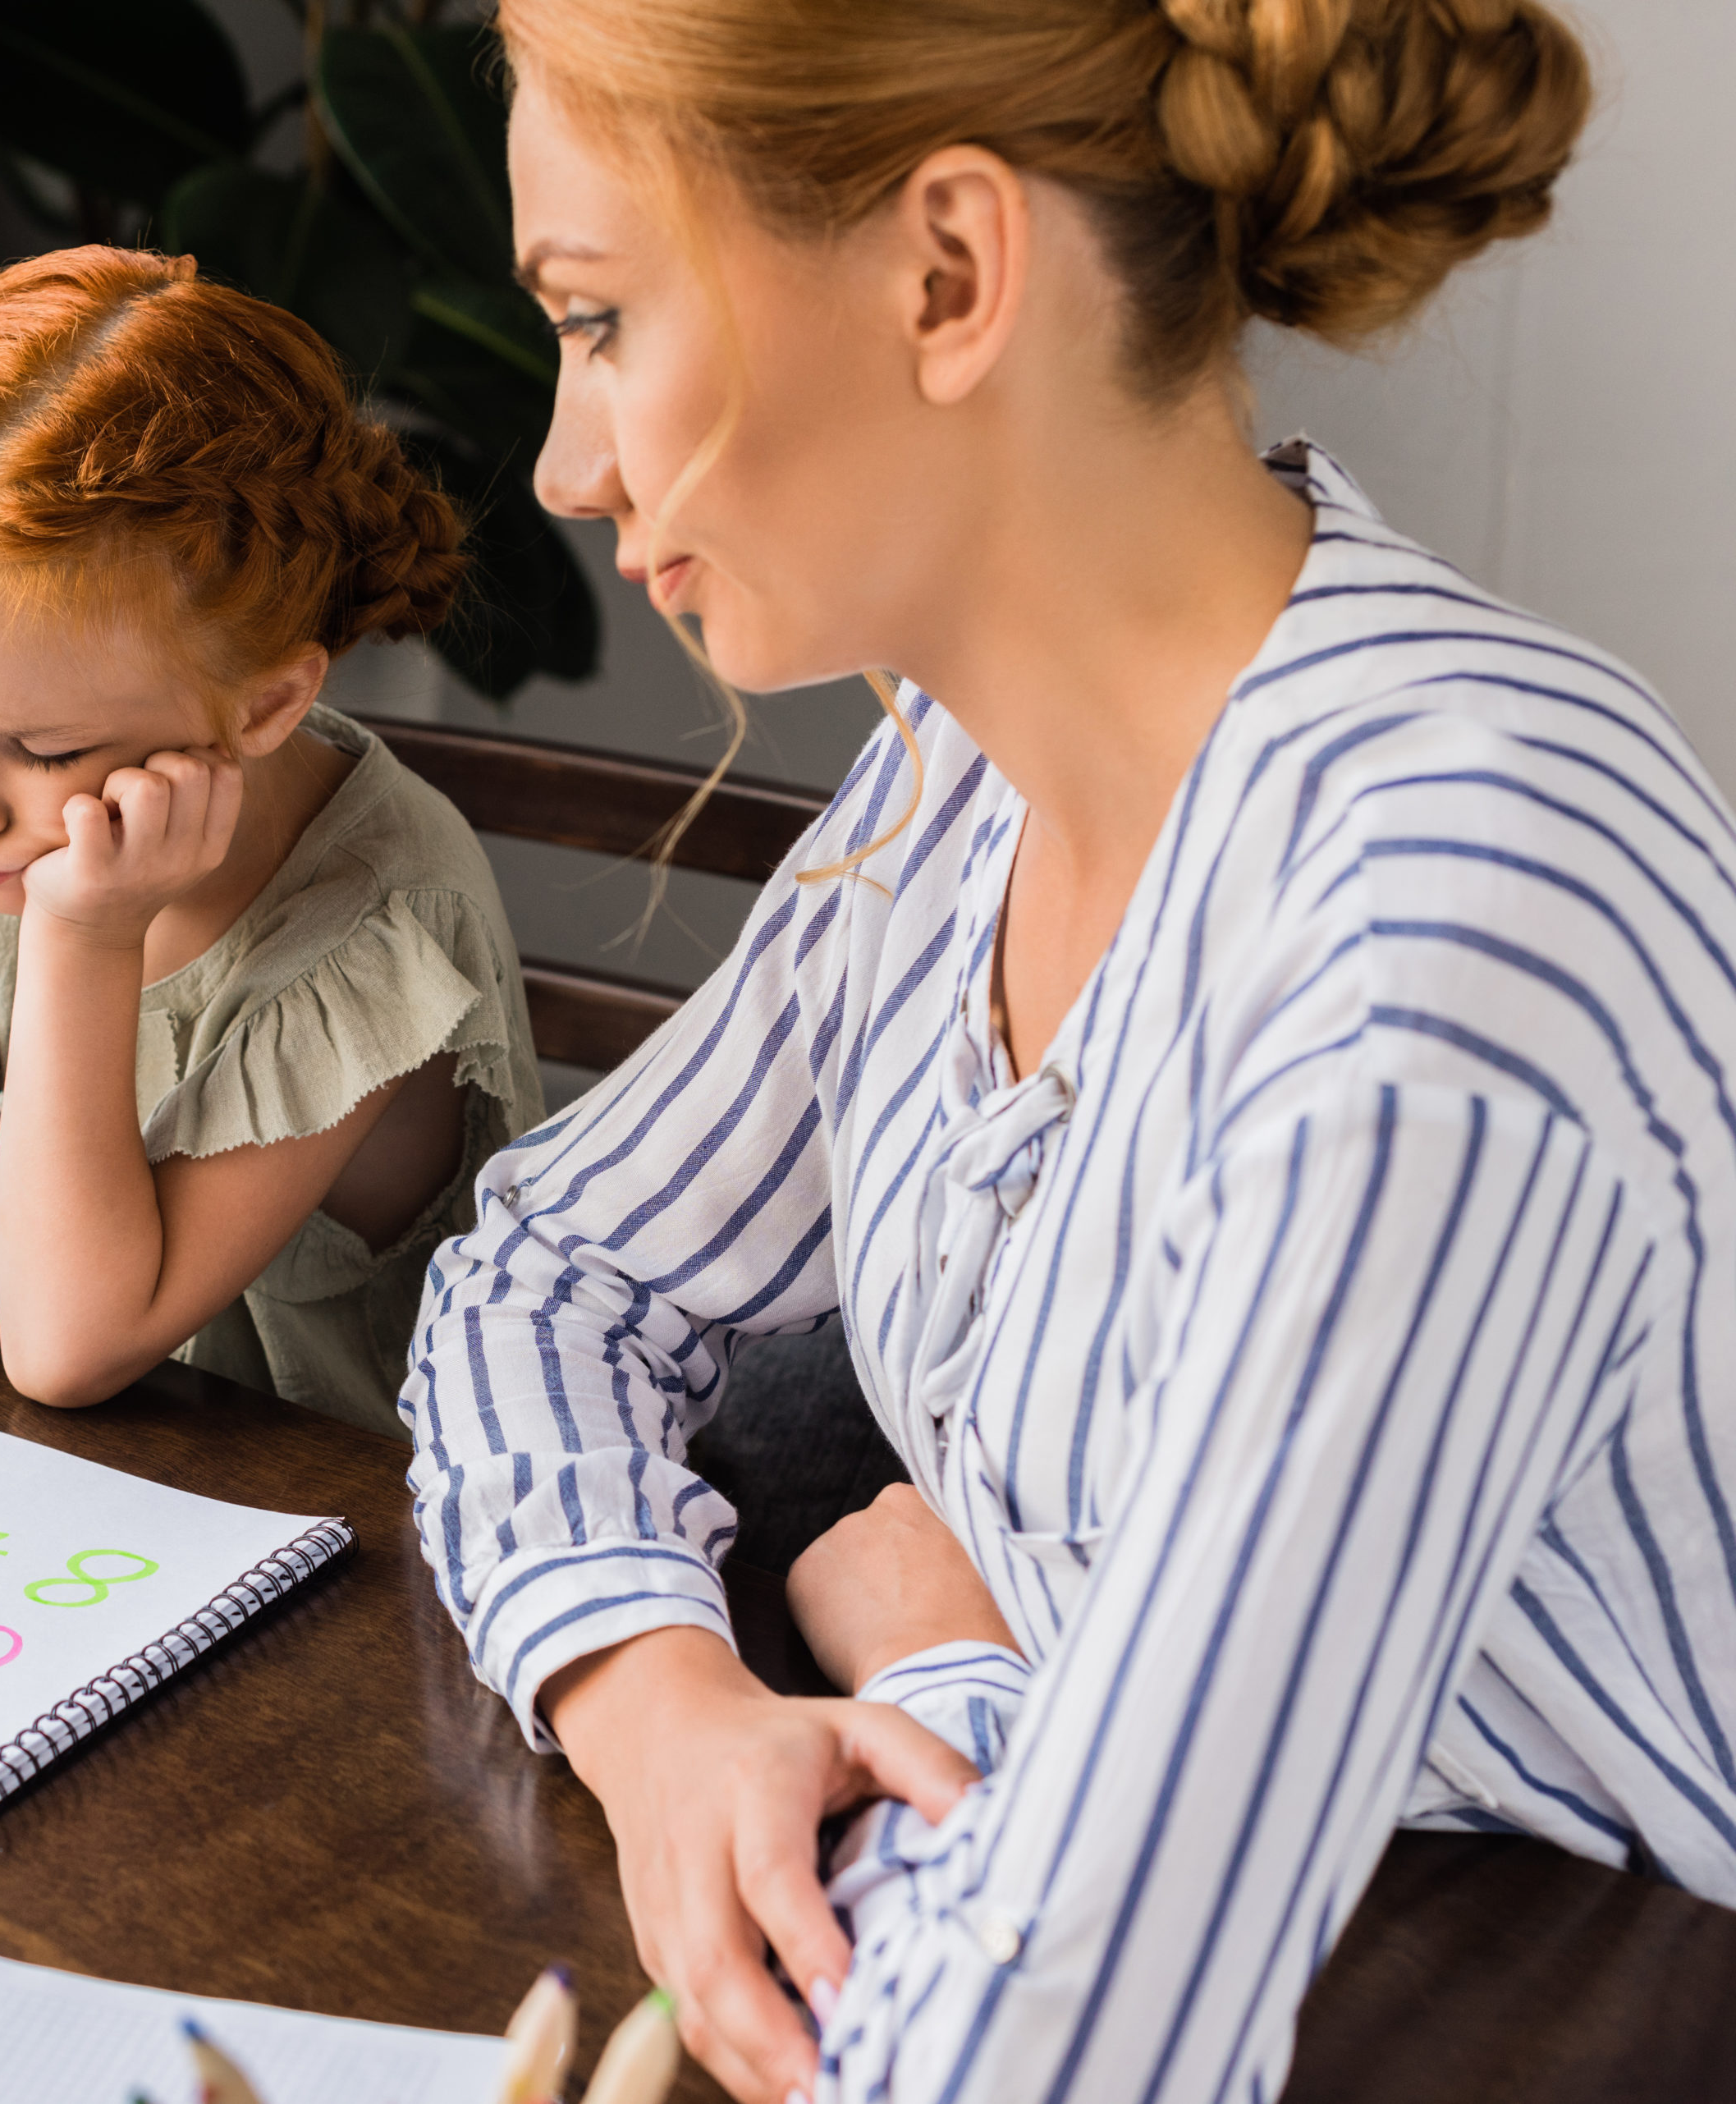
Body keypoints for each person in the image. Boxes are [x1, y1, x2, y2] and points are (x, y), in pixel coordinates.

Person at [406, 2, 1729, 2099]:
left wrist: (938, 1642)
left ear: (948, 273)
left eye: (600, 319)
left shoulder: (1462, 913)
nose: (572, 465)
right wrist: (664, 1709)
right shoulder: (966, 783)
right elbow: (551, 1276)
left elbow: (1060, 2051)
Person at [0, 248, 543, 1437]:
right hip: (129, 1493)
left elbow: (68, 1349)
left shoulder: (374, 925)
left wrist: (88, 939)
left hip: (365, 1525)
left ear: (264, 709)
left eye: (40, 748)